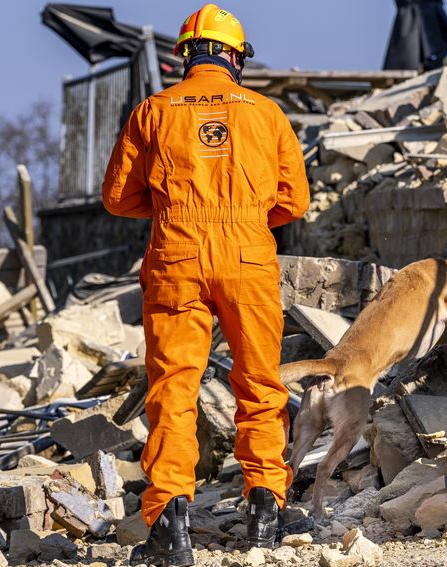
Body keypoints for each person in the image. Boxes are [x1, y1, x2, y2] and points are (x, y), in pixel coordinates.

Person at [101, 4, 310, 565]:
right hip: (247, 254)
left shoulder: (154, 110)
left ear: (183, 56)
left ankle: (170, 525)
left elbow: (118, 197)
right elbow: (295, 201)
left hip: (177, 253)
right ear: (236, 57)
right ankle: (266, 507)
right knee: (260, 381)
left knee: (173, 386)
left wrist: (174, 208)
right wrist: (242, 210)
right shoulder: (266, 113)